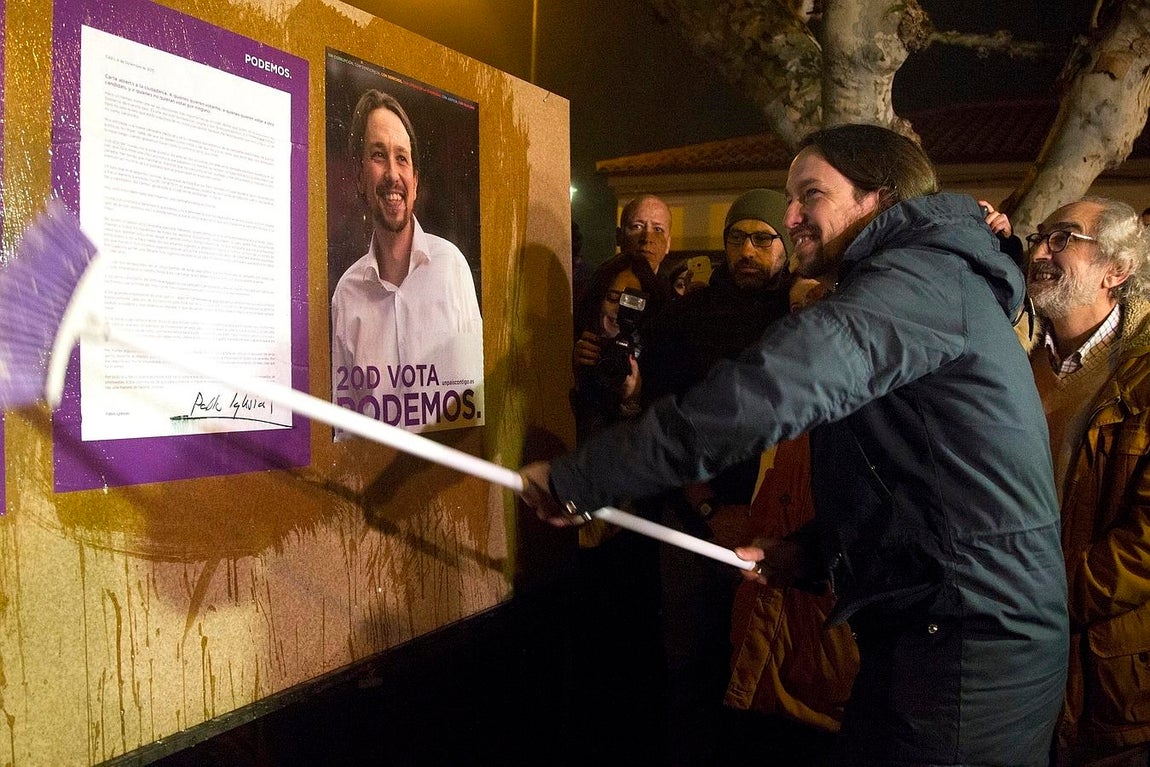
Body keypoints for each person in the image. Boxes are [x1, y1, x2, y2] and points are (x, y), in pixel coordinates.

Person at [520, 123, 1068, 766]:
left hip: (970, 645)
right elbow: (919, 473)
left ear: (879, 199)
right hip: (936, 627)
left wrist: (585, 478)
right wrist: (814, 551)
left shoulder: (917, 281)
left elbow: (764, 394)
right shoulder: (924, 279)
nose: (790, 217)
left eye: (811, 194)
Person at [637, 189, 795, 765]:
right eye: (738, 238)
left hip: (782, 527)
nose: (748, 252)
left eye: (762, 238)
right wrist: (706, 510)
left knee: (771, 669)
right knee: (692, 668)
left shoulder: (801, 318)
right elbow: (665, 417)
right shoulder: (688, 318)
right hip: (695, 521)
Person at [1024, 197, 1150, 767]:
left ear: (1116, 269)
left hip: (1109, 678)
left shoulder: (1143, 380)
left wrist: (1041, 597)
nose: (1040, 250)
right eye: (1040, 236)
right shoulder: (1014, 369)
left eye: (1063, 237)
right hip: (1015, 669)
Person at [723, 274, 857, 765]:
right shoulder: (777, 393)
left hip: (826, 631)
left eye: (819, 301)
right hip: (766, 613)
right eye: (795, 306)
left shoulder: (860, 400)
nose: (804, 315)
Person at [330, 90, 482, 433]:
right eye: (378, 156)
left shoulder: (452, 269)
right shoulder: (346, 296)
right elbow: (346, 430)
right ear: (359, 177)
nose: (393, 174)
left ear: (415, 180)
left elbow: (478, 402)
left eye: (402, 158)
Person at [574, 194, 676, 340]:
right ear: (619, 236)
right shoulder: (587, 291)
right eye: (637, 226)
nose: (647, 238)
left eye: (658, 229)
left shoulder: (675, 305)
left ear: (668, 244)